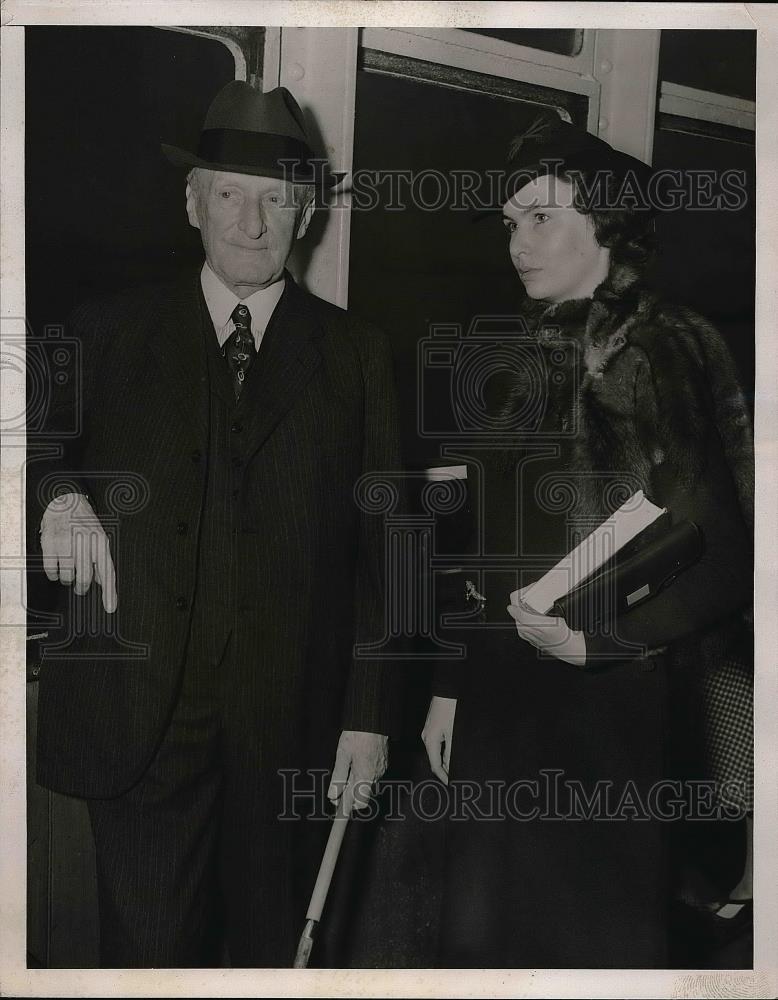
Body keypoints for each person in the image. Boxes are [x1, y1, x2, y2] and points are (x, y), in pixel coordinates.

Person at [32, 82, 402, 967]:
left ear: (304, 217)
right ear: (191, 201)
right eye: (230, 193)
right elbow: (32, 451)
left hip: (295, 730)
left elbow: (392, 551)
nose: (251, 219)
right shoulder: (105, 331)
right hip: (139, 725)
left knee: (275, 961)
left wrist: (372, 717)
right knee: (149, 961)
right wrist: (59, 496)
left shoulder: (356, 355)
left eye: (276, 198)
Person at [421, 113, 753, 967]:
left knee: (588, 944)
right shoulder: (515, 354)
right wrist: (452, 688)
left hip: (611, 702)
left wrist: (599, 636)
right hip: (501, 704)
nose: (517, 243)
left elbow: (723, 540)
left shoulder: (664, 349)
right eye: (510, 223)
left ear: (604, 224)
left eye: (541, 218)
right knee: (482, 943)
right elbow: (486, 548)